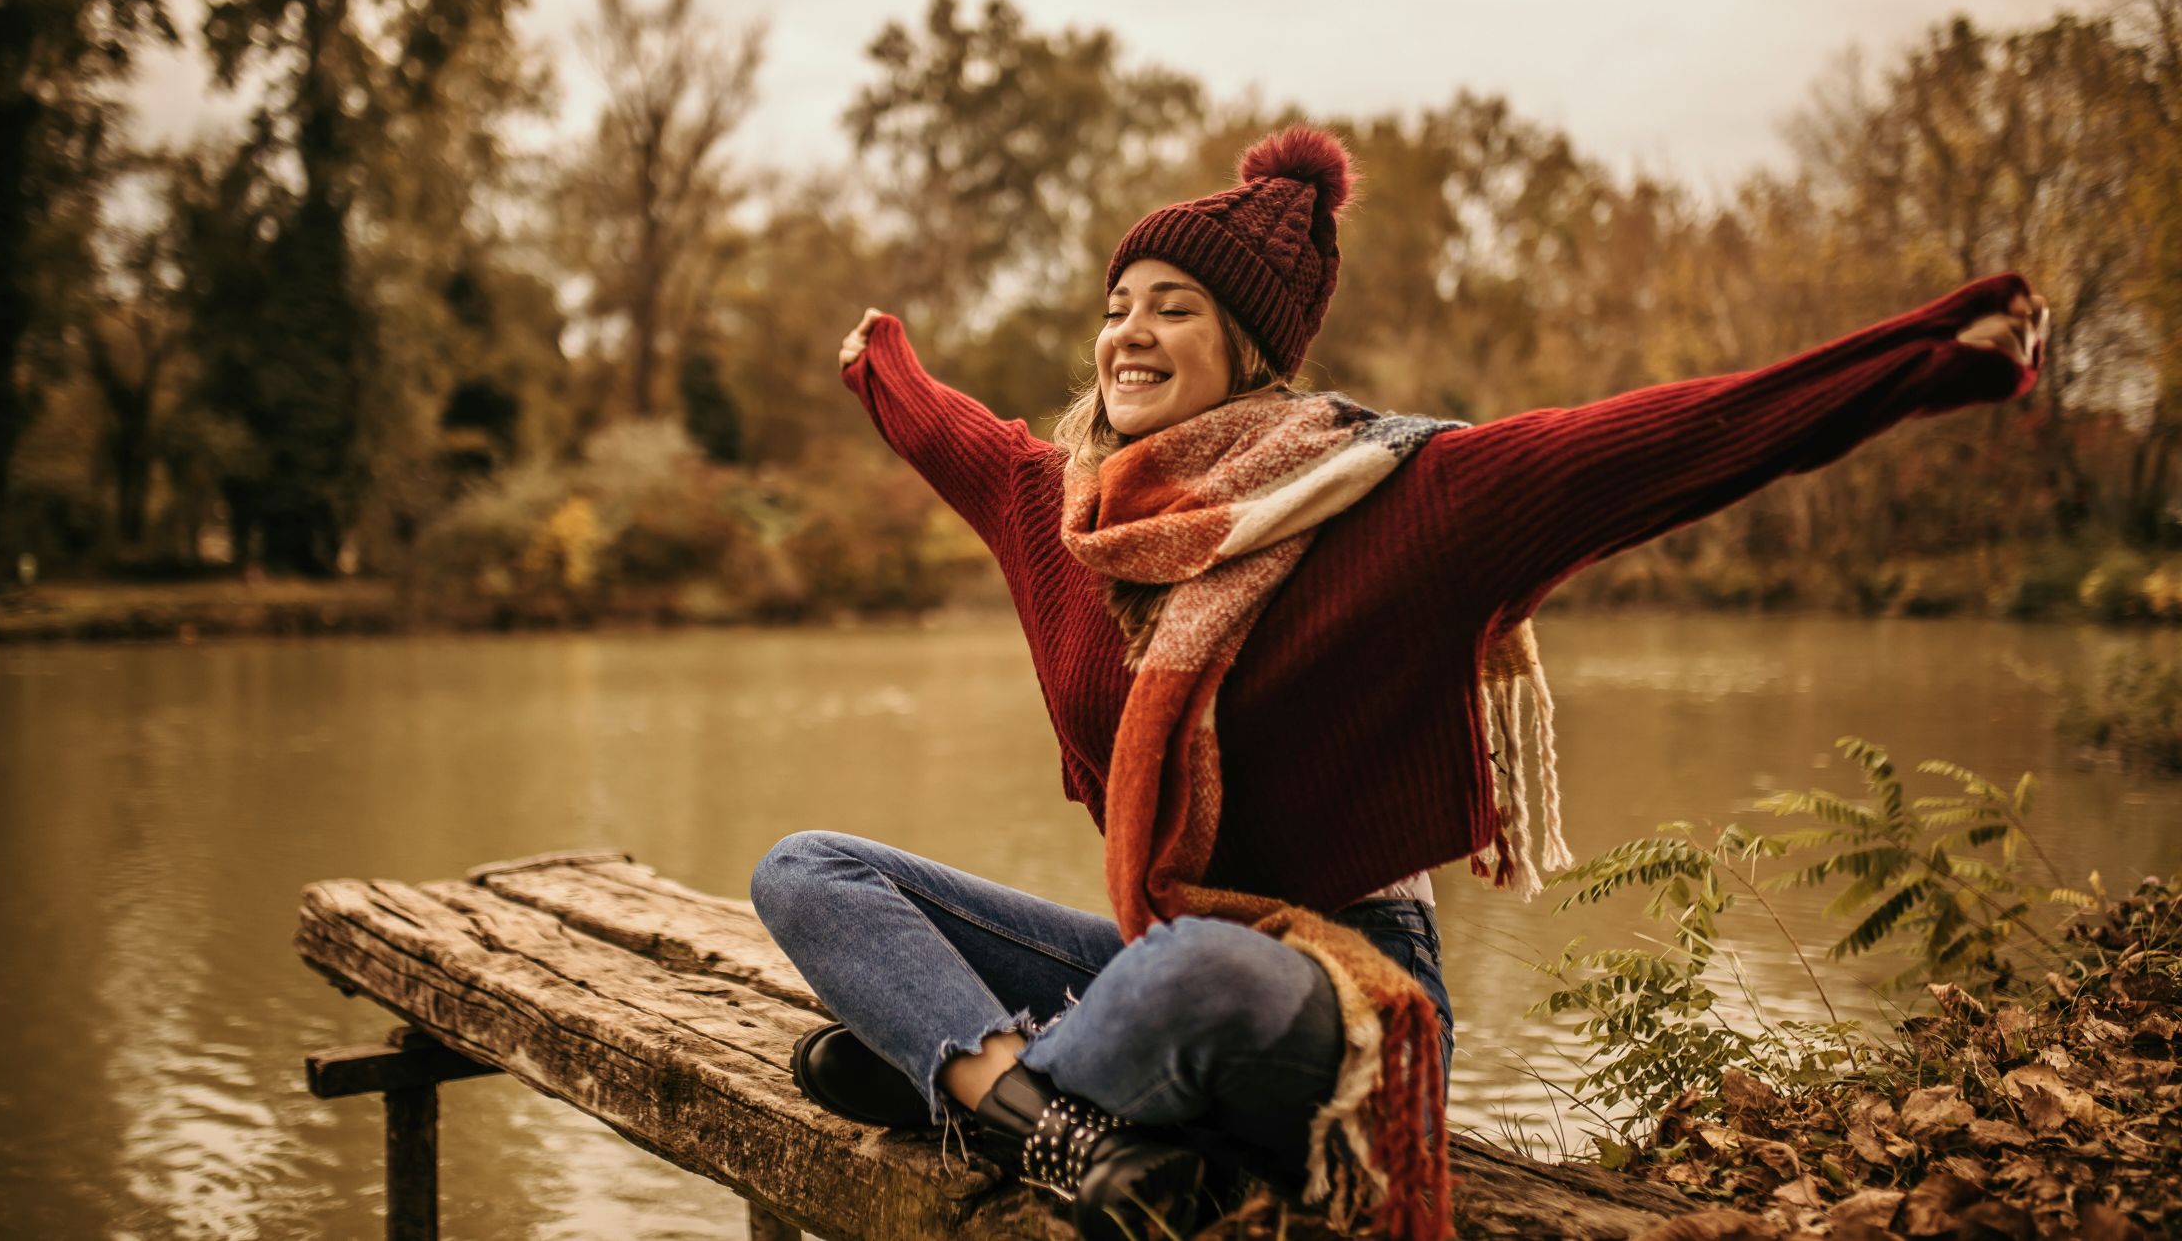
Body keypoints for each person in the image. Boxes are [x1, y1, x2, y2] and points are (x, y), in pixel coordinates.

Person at [751, 127, 2047, 1241]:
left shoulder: (1387, 504)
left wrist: (1930, 355)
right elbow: (954, 433)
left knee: (1191, 974)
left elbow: (1659, 447)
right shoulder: (1066, 515)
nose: (1128, 332)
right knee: (809, 869)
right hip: (1160, 947)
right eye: (1117, 302)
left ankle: (967, 1089)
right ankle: (1040, 1118)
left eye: (1174, 306)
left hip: (1334, 985)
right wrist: (882, 363)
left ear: (1251, 346)